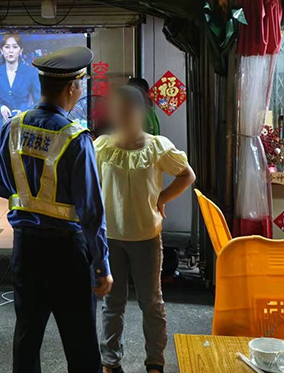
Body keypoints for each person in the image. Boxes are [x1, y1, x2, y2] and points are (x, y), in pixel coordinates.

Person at [0, 46, 112, 373]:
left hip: (26, 248)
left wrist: (28, 201)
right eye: (80, 85)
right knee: (81, 342)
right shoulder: (76, 137)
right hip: (68, 253)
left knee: (27, 338)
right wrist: (102, 264)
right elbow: (91, 212)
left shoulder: (12, 128)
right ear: (72, 88)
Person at [95, 86, 196, 373]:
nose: (122, 115)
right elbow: (93, 187)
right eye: (118, 110)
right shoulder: (101, 146)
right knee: (112, 303)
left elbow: (187, 175)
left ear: (141, 112)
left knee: (151, 303)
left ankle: (155, 361)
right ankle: (110, 361)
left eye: (128, 110)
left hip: (146, 237)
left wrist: (161, 199)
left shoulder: (156, 147)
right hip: (110, 239)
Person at [0, 33, 40, 142]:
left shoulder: (31, 73)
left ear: (21, 51)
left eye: (15, 47)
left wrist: (23, 112)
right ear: (1, 51)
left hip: (22, 128)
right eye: (7, 47)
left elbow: (39, 103)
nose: (11, 51)